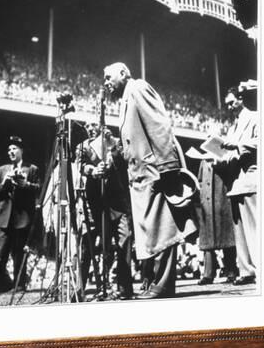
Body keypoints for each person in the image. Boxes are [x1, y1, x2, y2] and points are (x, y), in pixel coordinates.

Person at [103, 62, 197, 299]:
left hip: (154, 173)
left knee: (163, 228)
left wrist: (167, 168)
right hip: (139, 177)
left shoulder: (138, 88)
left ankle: (163, 284)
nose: (105, 83)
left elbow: (159, 125)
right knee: (151, 231)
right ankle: (153, 282)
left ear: (123, 74)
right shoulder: (126, 98)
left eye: (108, 77)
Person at [76, 124, 133, 299]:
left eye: (94, 124)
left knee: (125, 240)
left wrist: (111, 148)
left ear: (102, 125)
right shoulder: (83, 146)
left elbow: (125, 161)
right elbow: (81, 165)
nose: (90, 128)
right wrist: (93, 170)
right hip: (95, 203)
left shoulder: (114, 142)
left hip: (118, 202)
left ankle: (124, 287)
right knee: (88, 245)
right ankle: (79, 288)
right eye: (87, 126)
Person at [216, 84, 258, 285]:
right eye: (227, 104)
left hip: (249, 176)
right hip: (235, 180)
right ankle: (246, 270)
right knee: (239, 229)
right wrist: (218, 157)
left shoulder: (255, 117)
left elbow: (261, 141)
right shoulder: (233, 126)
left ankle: (259, 267)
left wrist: (238, 145)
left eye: (232, 102)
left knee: (253, 227)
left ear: (241, 99)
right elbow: (230, 153)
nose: (230, 107)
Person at [0, 136, 40, 295]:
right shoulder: (0, 170)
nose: (10, 151)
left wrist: (26, 184)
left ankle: (19, 286)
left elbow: (39, 188)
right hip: (3, 218)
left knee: (19, 254)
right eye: (9, 149)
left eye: (14, 149)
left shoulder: (32, 169)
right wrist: (6, 181)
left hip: (22, 218)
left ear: (21, 150)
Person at [196, 156, 238, 284]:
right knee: (207, 240)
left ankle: (231, 271)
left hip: (222, 200)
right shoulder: (203, 160)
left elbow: (232, 173)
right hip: (206, 204)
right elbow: (200, 180)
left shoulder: (225, 156)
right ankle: (208, 273)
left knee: (227, 236)